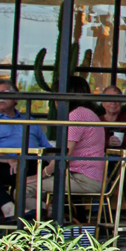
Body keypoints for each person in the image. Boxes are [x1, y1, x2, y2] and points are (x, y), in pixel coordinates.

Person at [0, 80, 52, 221]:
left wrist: (59, 166)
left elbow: (48, 149)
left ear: (15, 98)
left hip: (34, 164)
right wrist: (9, 159)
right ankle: (10, 209)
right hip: (4, 166)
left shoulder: (29, 120)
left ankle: (11, 209)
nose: (0, 97)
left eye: (4, 92)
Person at [25, 77, 104, 214]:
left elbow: (64, 154)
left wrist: (41, 175)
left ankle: (51, 215)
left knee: (22, 190)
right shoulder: (88, 113)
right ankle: (53, 214)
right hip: (85, 176)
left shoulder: (76, 116)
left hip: (82, 179)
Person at [100, 84, 126, 149]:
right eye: (109, 99)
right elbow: (92, 144)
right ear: (103, 103)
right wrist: (107, 142)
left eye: (117, 99)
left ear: (121, 102)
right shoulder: (97, 122)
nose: (113, 103)